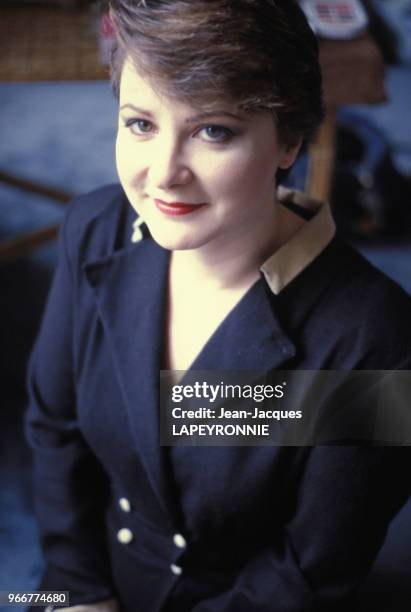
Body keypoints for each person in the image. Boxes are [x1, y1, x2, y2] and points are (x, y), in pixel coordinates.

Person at [25, 1, 411, 611]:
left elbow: (313, 566)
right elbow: (54, 428)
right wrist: (77, 590)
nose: (164, 175)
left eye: (213, 130)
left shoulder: (374, 337)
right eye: (141, 124)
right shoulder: (93, 227)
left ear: (289, 141)